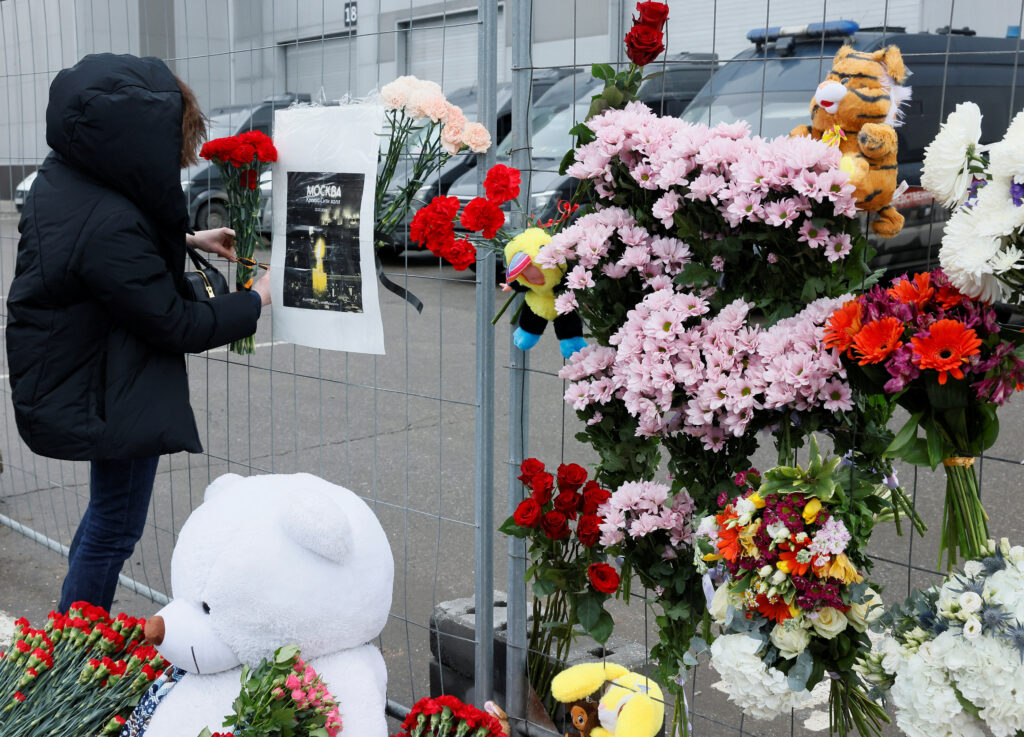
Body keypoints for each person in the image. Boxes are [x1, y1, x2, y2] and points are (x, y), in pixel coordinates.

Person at [4, 53, 272, 613]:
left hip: (91, 367)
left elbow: (104, 244)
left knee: (105, 518)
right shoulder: (111, 224)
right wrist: (256, 299)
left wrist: (190, 239)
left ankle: (72, 632)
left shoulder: (67, 176)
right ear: (140, 134)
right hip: (112, 387)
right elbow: (174, 322)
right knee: (114, 527)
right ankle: (77, 645)